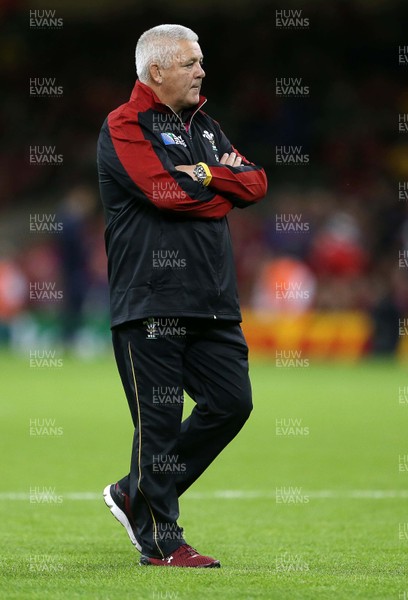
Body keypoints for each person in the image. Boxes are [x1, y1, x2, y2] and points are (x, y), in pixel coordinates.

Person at [97, 24, 267, 568]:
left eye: (200, 61)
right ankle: (162, 541)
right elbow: (164, 192)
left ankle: (132, 492)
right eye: (191, 62)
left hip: (213, 298)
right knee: (160, 422)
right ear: (157, 71)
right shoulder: (124, 125)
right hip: (151, 299)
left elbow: (257, 183)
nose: (201, 71)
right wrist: (220, 187)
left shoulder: (208, 128)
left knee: (231, 403)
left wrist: (206, 175)